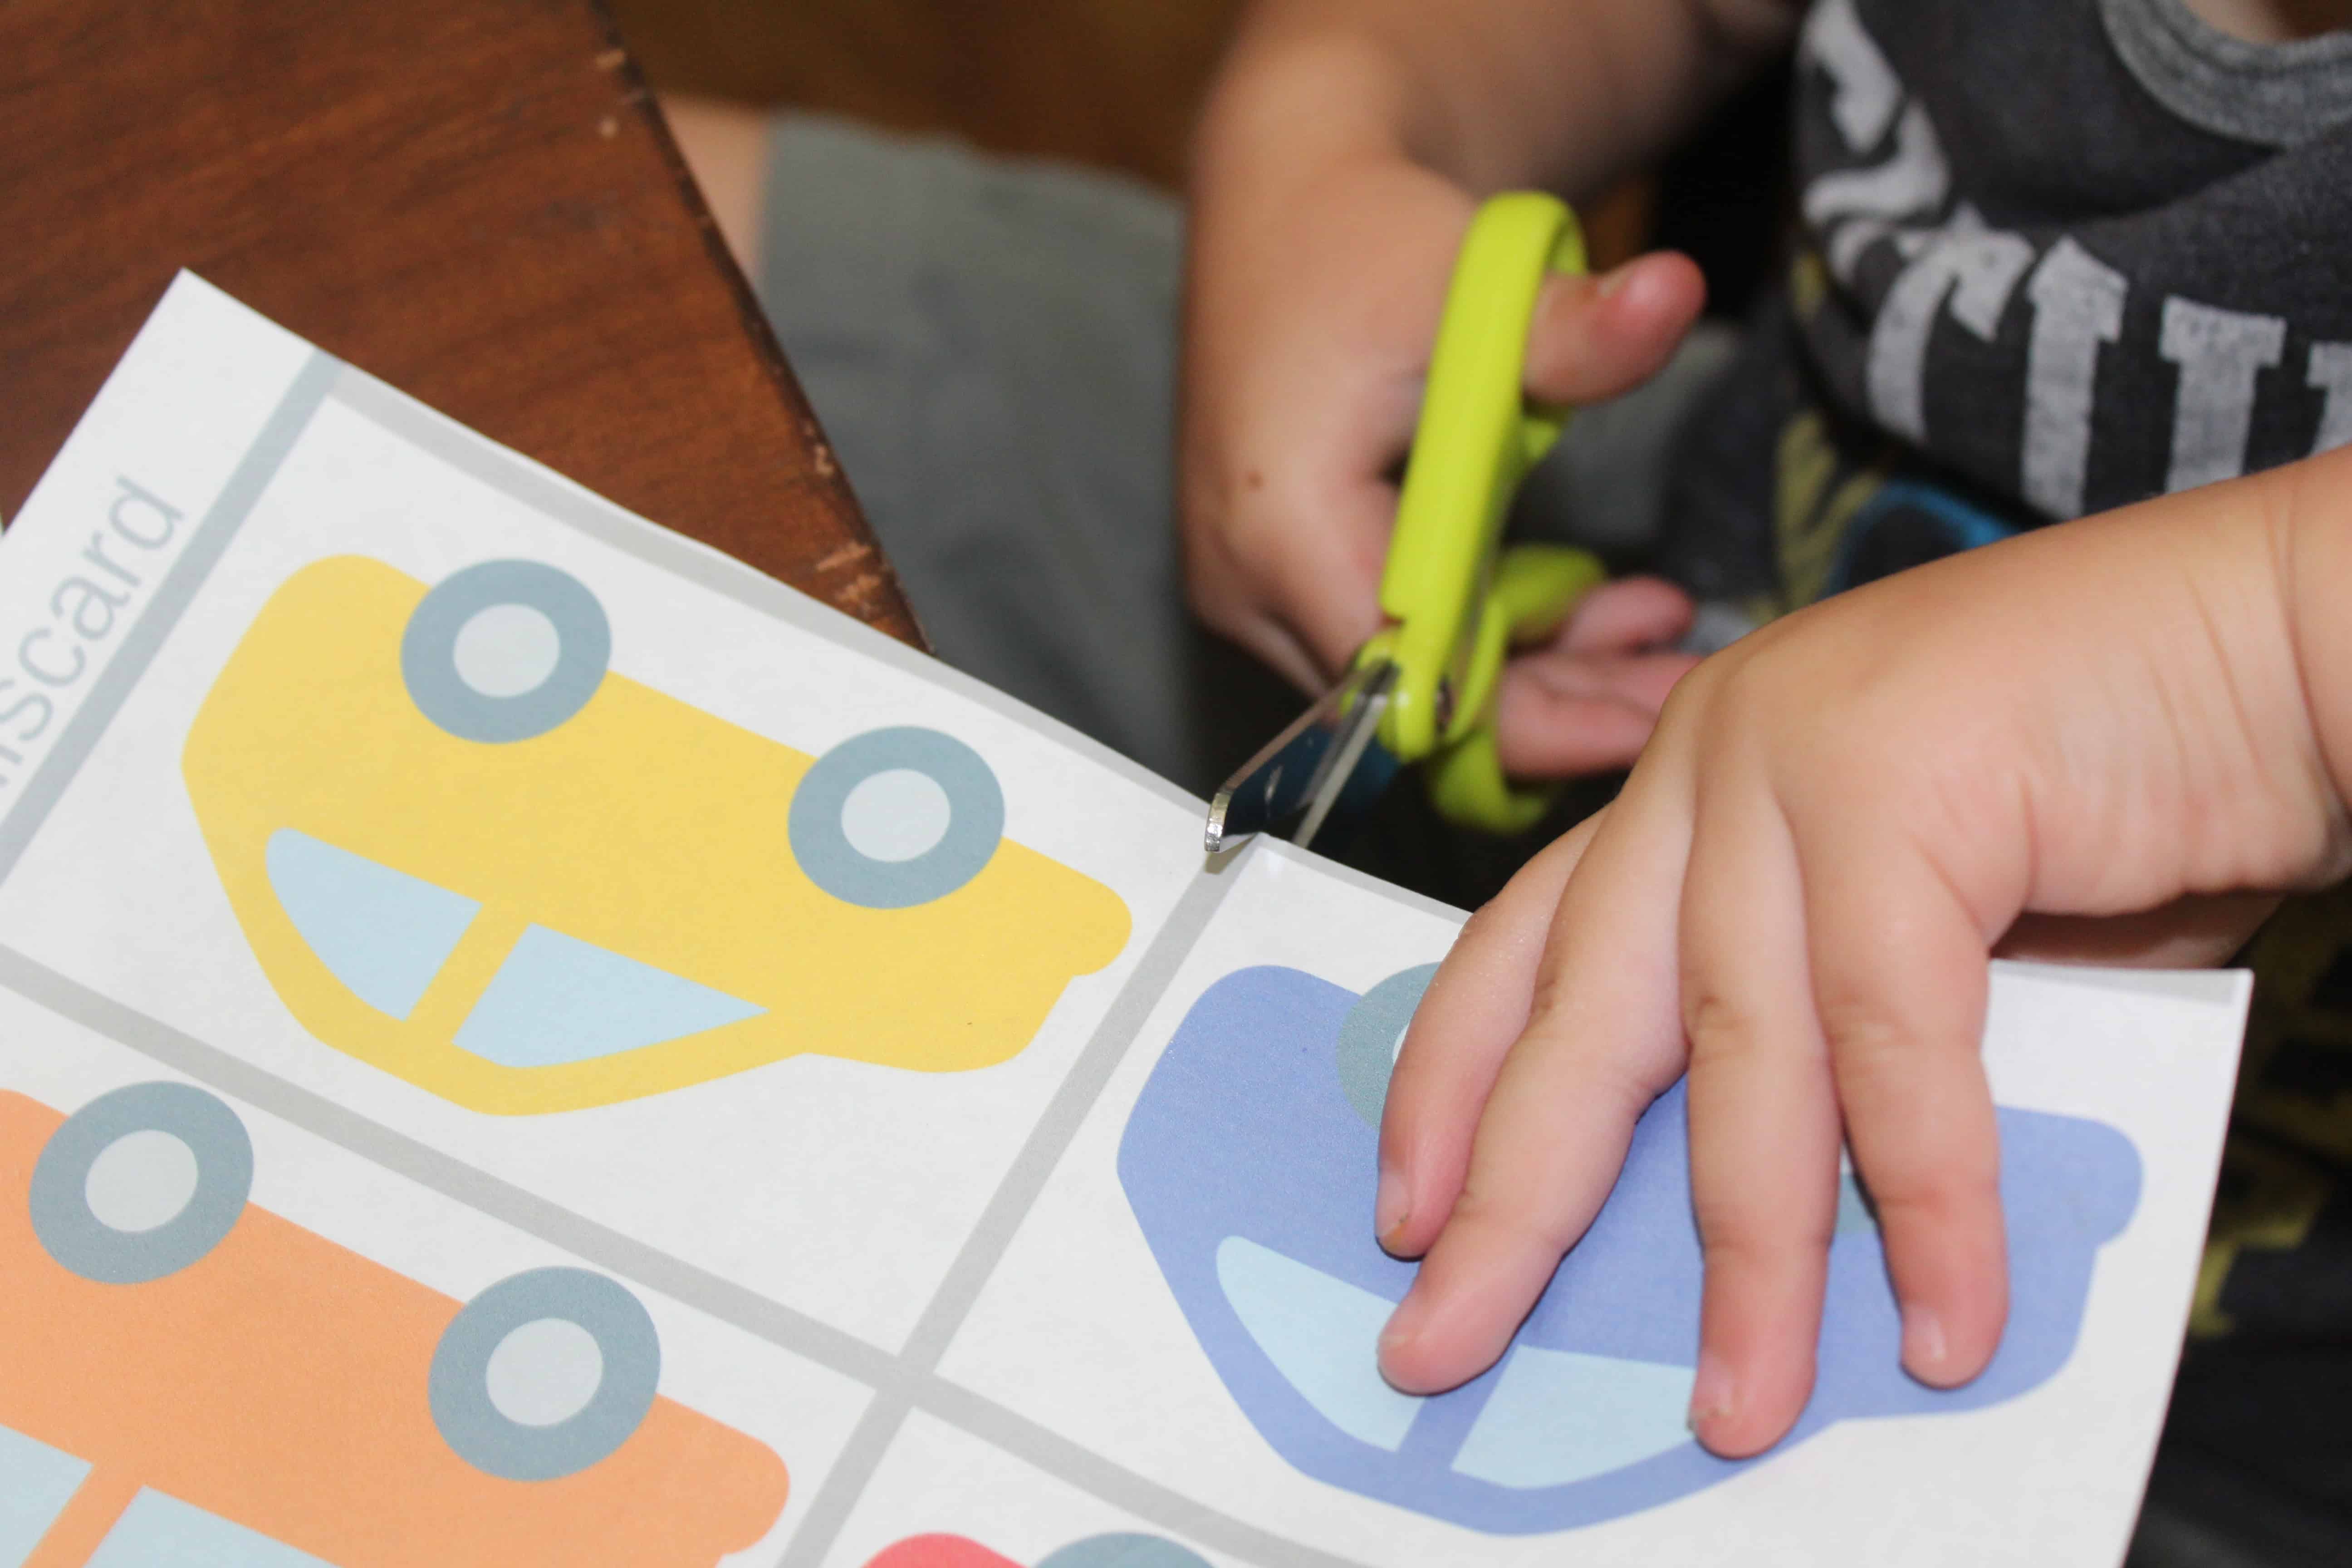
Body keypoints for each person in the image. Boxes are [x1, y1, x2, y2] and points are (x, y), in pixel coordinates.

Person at [671, 0, 2352, 1553]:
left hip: (2236, 1384)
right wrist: (1346, 105)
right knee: (636, 265)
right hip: (1689, 578)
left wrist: (2267, 661)